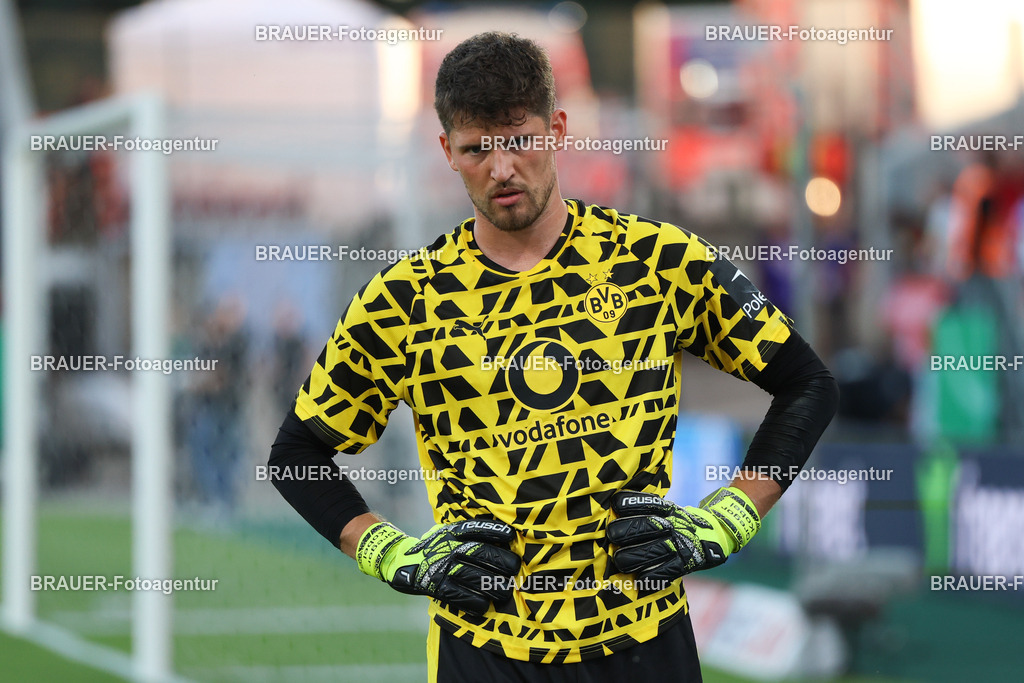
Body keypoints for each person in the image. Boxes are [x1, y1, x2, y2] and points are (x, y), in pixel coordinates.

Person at [269, 32, 838, 682]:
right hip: (483, 652)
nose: (502, 167)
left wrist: (729, 517)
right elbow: (297, 453)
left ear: (557, 128)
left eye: (519, 138)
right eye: (477, 147)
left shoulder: (656, 261)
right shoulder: (406, 298)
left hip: (643, 643)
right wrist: (389, 551)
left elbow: (807, 383)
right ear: (446, 152)